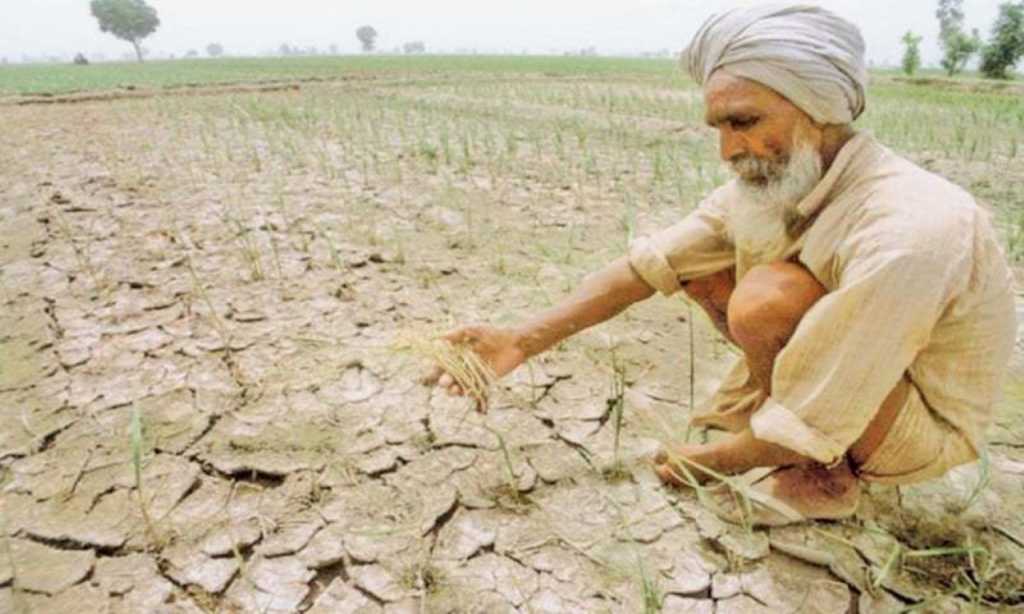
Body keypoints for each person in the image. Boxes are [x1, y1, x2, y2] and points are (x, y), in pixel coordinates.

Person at [425, 3, 1017, 525]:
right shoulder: (781, 181)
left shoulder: (909, 227)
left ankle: (824, 474)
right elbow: (648, 266)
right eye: (721, 126)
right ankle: (778, 424)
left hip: (916, 428)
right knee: (703, 269)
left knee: (766, 299)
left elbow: (843, 382)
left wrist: (708, 462)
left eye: (746, 121)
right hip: (857, 377)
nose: (730, 150)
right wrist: (519, 342)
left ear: (819, 108)